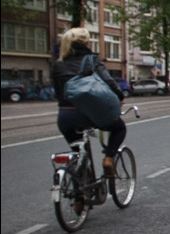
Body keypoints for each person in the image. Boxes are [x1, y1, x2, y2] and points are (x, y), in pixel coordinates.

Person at [51, 27, 126, 177]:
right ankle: (109, 159)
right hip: (91, 114)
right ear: (86, 43)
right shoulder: (92, 60)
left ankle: (79, 198)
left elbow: (57, 94)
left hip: (65, 117)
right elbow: (108, 81)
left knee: (78, 155)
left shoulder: (58, 65)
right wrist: (120, 96)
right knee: (119, 128)